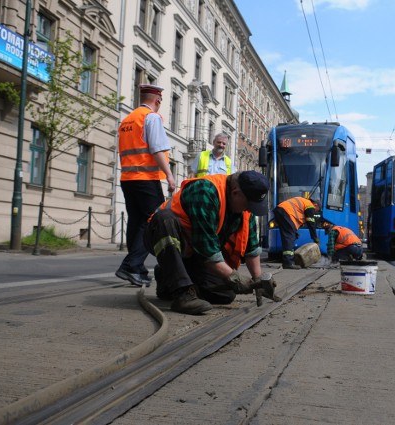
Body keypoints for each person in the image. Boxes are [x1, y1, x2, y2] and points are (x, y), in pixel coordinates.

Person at [145, 171, 278, 315]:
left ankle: (168, 278)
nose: (249, 209)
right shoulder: (206, 191)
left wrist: (258, 281)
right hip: (162, 235)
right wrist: (235, 278)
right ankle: (183, 294)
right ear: (235, 193)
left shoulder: (244, 208)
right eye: (248, 204)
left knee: (226, 294)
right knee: (165, 219)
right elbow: (207, 251)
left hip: (194, 251)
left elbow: (251, 249)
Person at [116, 84, 176, 287]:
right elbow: (157, 149)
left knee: (136, 221)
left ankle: (136, 269)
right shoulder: (151, 117)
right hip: (146, 178)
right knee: (154, 221)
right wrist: (169, 175)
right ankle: (130, 265)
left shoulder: (127, 120)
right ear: (157, 101)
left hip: (127, 179)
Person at [274, 196, 320, 269]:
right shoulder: (310, 206)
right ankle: (288, 263)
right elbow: (311, 223)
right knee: (289, 237)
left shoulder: (303, 203)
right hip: (286, 212)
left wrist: (294, 232)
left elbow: (294, 219)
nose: (316, 212)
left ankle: (288, 261)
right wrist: (315, 238)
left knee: (289, 237)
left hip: (280, 210)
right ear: (316, 205)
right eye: (317, 210)